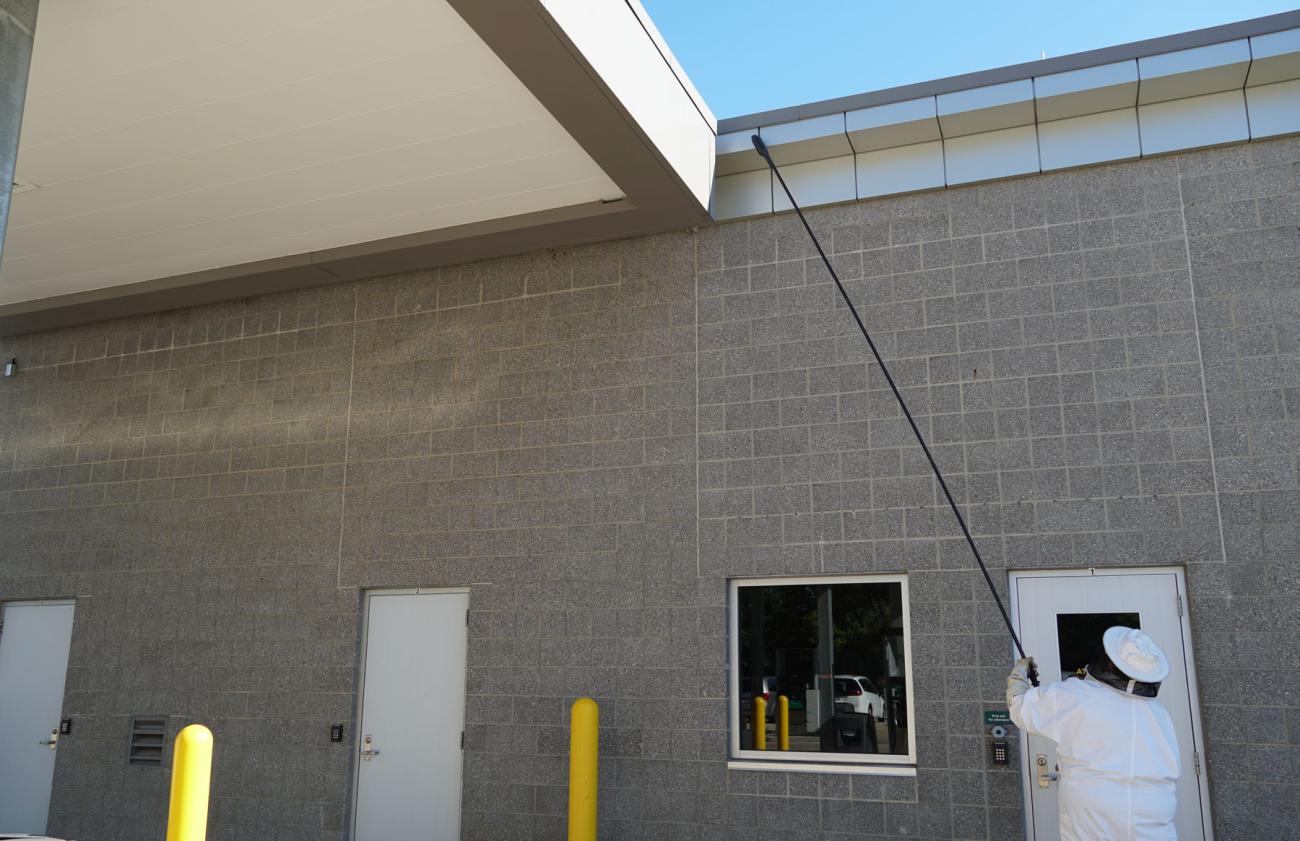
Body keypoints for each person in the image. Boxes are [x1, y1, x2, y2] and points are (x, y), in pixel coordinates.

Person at [1007, 626, 1181, 841]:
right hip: (1156, 811)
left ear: (1109, 662)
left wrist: (1020, 674)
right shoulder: (1159, 714)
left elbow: (1019, 706)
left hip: (1094, 813)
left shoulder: (1078, 695)